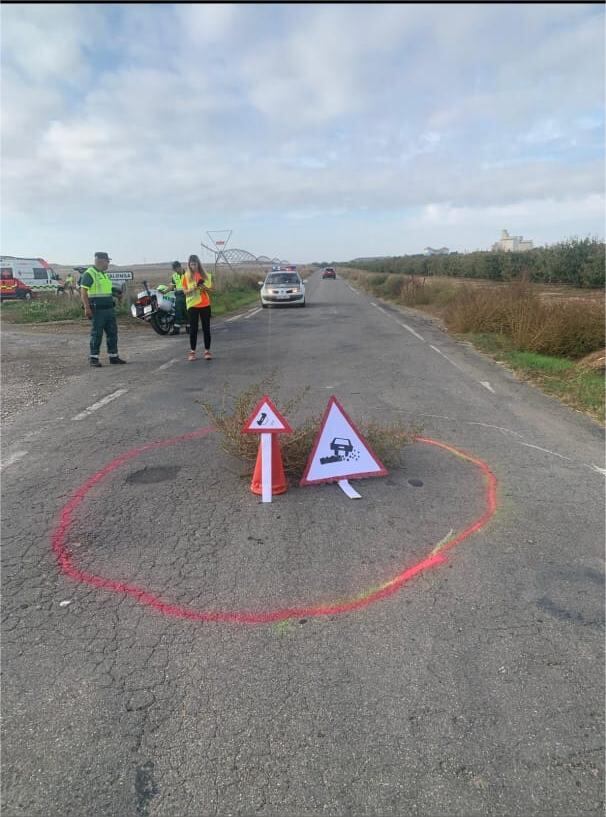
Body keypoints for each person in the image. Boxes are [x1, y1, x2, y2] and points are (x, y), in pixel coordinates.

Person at [79, 251, 127, 367]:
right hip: (98, 310)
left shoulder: (103, 274)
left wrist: (117, 294)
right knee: (97, 334)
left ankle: (113, 356)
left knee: (112, 333)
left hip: (109, 309)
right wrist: (87, 307)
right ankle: (93, 358)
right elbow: (83, 291)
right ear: (101, 261)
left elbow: (107, 290)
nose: (108, 263)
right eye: (107, 261)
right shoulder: (90, 274)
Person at [182, 254, 212, 361]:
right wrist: (193, 289)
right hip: (192, 305)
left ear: (198, 264)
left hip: (205, 304)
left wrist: (203, 287)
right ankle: (192, 352)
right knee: (193, 329)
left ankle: (207, 351)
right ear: (189, 265)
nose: (193, 266)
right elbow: (184, 291)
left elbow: (211, 290)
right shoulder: (185, 276)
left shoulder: (206, 275)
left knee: (206, 328)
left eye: (195, 264)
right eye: (191, 264)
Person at [168, 261, 187, 335]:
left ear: (179, 267)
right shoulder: (174, 276)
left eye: (176, 268)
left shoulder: (187, 274)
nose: (175, 270)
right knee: (178, 311)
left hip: (187, 294)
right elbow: (172, 286)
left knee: (187, 311)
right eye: (174, 269)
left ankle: (190, 326)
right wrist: (164, 291)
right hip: (178, 295)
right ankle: (176, 329)